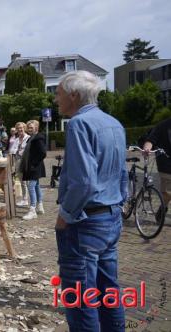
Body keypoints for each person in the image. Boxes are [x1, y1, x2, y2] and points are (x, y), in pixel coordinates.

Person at [55, 71, 127, 331]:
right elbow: (121, 173)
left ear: (74, 95)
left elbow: (84, 181)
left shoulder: (78, 124)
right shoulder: (114, 123)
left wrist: (65, 215)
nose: (55, 100)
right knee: (109, 291)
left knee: (81, 299)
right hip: (110, 217)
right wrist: (120, 203)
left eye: (58, 93)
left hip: (85, 222)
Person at [143, 118, 171, 219]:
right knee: (166, 193)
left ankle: (163, 207)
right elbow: (151, 140)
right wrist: (147, 148)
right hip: (166, 165)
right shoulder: (163, 126)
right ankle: (163, 206)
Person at [21, 120, 46, 220]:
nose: (29, 129)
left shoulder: (38, 138)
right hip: (33, 166)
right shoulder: (32, 138)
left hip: (35, 166)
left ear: (36, 127)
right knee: (36, 186)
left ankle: (32, 210)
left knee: (31, 186)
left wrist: (34, 164)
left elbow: (43, 153)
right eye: (28, 127)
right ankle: (40, 206)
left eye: (31, 127)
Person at [9, 122, 30, 206]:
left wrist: (17, 150)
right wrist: (17, 150)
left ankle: (31, 200)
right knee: (22, 181)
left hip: (26, 161)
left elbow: (29, 150)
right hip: (18, 161)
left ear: (24, 128)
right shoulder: (17, 139)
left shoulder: (28, 138)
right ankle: (25, 199)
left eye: (21, 128)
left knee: (28, 182)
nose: (20, 130)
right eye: (18, 129)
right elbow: (11, 150)